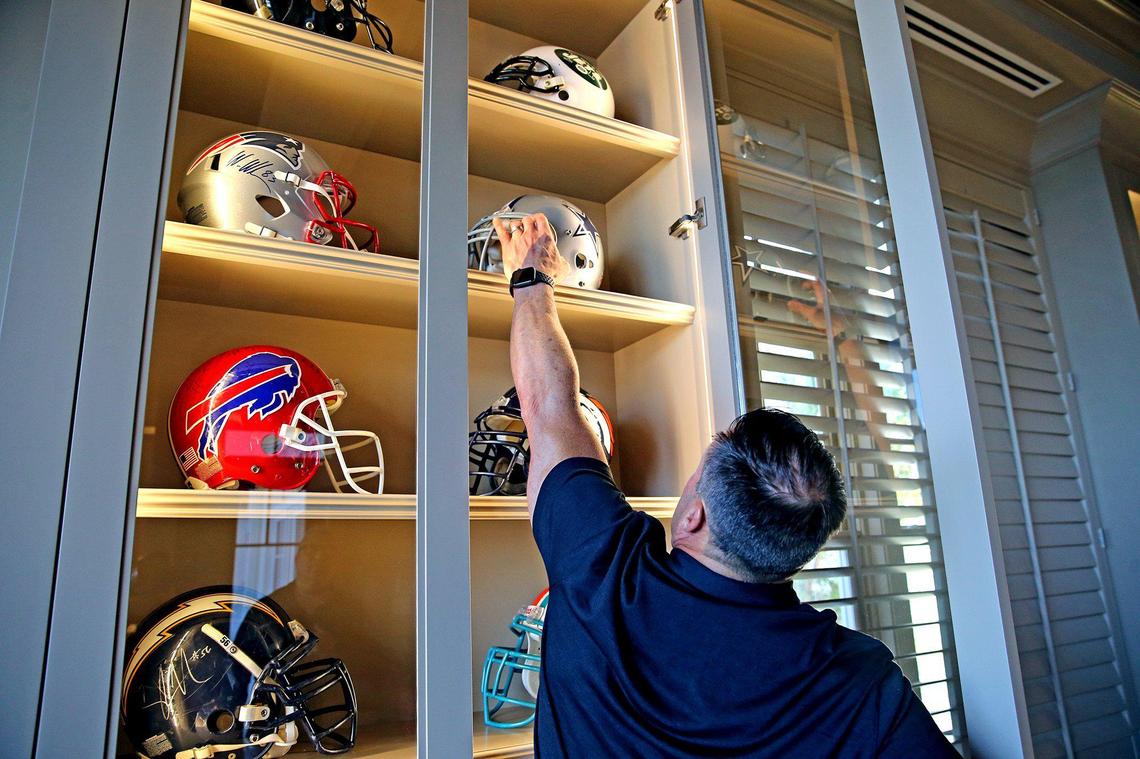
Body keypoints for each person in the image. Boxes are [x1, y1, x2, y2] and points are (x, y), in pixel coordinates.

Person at [492, 212, 958, 758]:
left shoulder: (605, 572)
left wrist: (532, 279)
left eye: (699, 470)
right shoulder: (859, 678)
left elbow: (549, 406)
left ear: (693, 517)